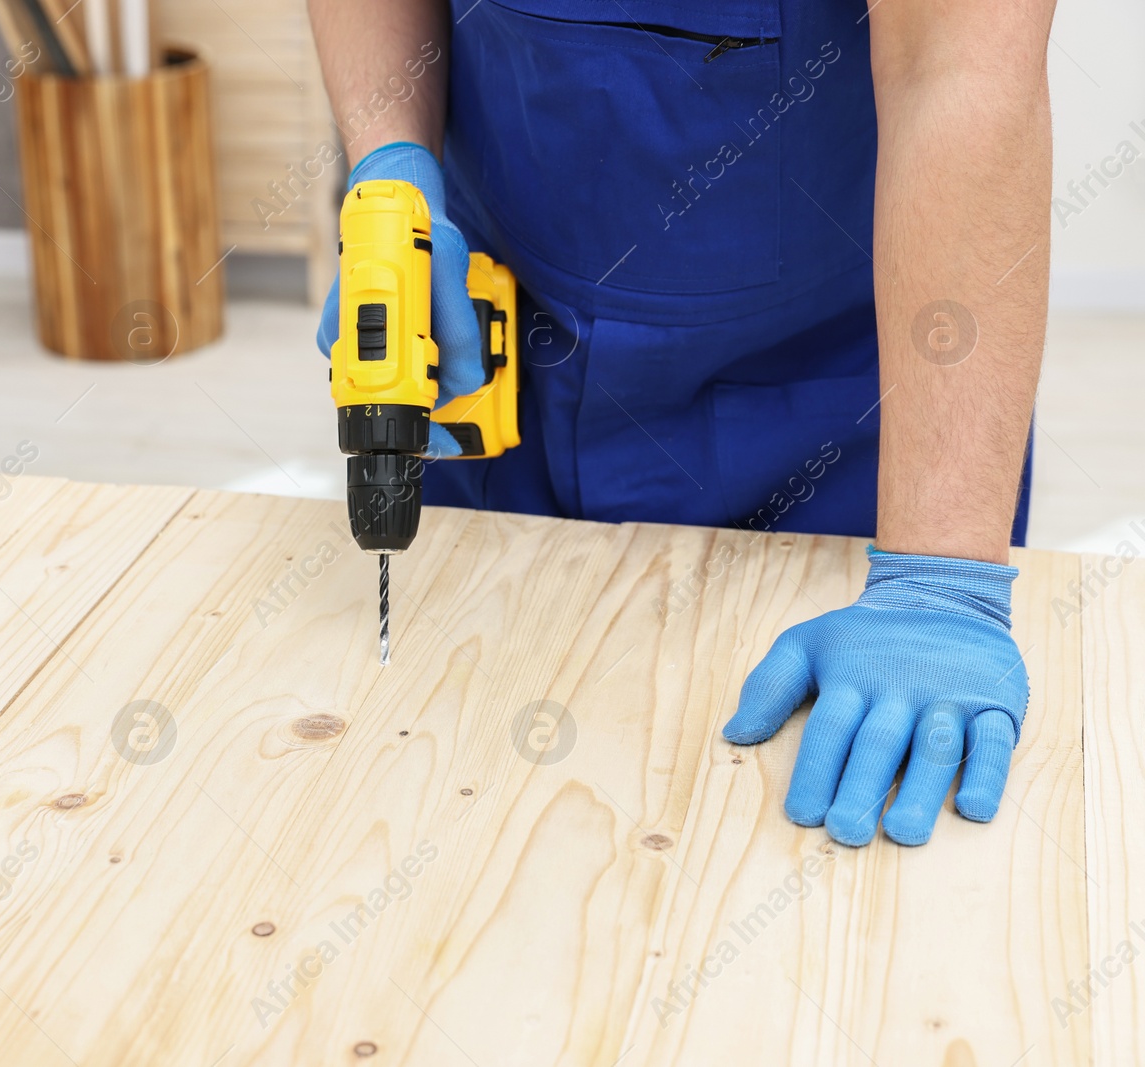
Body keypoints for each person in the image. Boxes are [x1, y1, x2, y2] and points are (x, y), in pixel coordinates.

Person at [309, 0, 1054, 847]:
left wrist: (938, 582)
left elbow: (958, 66)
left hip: (828, 426)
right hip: (499, 362)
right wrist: (393, 163)